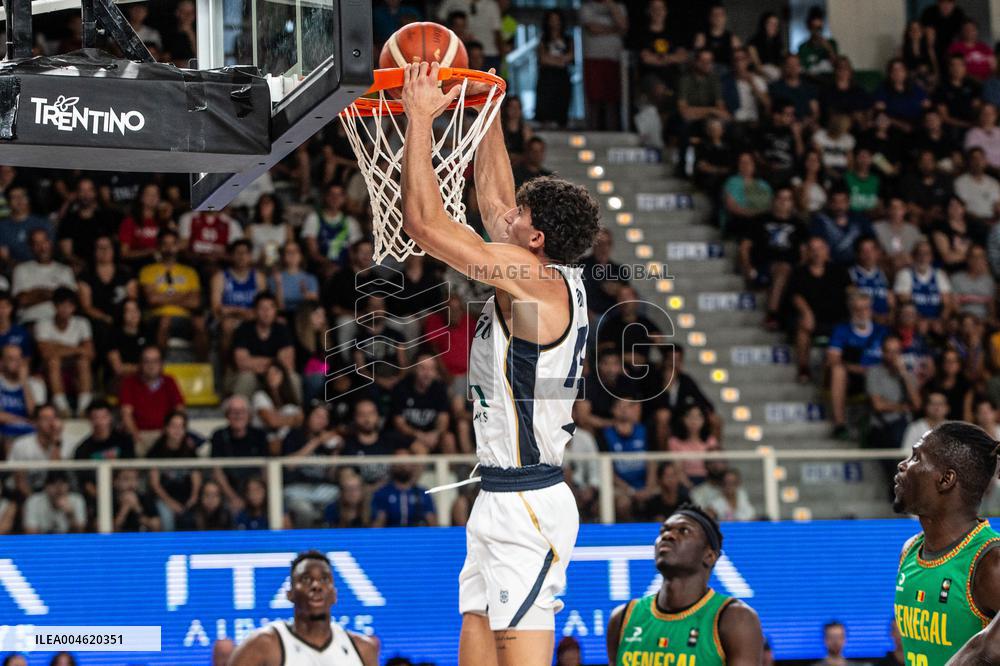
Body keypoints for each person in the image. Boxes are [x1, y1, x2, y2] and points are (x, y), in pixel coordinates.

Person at [400, 61, 601, 665]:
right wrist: (486, 111)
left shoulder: (535, 284)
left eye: (520, 218)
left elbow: (426, 225)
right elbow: (492, 201)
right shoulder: (539, 273)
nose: (506, 214)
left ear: (534, 241)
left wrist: (419, 118)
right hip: (498, 495)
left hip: (527, 505)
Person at [893, 422, 1000, 664]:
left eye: (916, 458)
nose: (903, 465)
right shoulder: (910, 550)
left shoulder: (990, 562)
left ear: (946, 479)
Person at [606, 506, 763, 666]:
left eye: (684, 531)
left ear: (709, 556)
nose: (668, 535)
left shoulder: (735, 619)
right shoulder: (623, 617)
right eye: (663, 531)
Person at [230, 550, 380, 665]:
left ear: (334, 595)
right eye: (306, 579)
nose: (316, 586)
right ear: (290, 594)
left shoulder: (363, 649)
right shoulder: (264, 644)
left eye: (324, 579)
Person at [788, 237, 851, 382]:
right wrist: (806, 312)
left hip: (837, 318)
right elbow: (795, 296)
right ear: (808, 252)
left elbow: (850, 290)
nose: (817, 253)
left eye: (820, 249)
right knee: (803, 326)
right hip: (811, 318)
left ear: (827, 250)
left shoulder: (839, 271)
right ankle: (804, 368)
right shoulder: (799, 272)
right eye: (813, 249)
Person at [138, 229, 209, 359]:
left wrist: (164, 297)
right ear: (159, 247)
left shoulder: (190, 272)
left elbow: (195, 302)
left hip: (184, 318)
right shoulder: (147, 271)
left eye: (172, 244)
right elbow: (152, 299)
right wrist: (183, 295)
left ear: (177, 246)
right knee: (165, 321)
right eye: (165, 244)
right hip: (156, 318)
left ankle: (203, 366)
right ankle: (160, 366)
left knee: (200, 323)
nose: (169, 248)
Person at [35, 287, 94, 417]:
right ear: (55, 306)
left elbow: (89, 353)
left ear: (74, 308)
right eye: (62, 305)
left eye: (69, 306)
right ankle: (62, 408)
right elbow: (45, 354)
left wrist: (57, 346)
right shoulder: (43, 324)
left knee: (83, 362)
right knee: (54, 361)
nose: (65, 310)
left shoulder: (82, 323)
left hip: (74, 366)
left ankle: (83, 408)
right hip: (49, 367)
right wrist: (77, 349)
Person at [230, 291, 298, 399]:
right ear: (255, 311)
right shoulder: (243, 329)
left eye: (270, 308)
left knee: (292, 377)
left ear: (275, 311)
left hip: (276, 375)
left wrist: (256, 362)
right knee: (246, 377)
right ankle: (238, 410)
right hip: (252, 375)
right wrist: (273, 362)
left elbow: (287, 363)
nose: (266, 312)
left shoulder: (282, 330)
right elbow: (242, 363)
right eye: (262, 308)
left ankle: (295, 412)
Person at [119, 345, 185, 452]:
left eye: (155, 361)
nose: (151, 365)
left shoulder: (169, 381)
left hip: (165, 434)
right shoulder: (129, 382)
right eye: (147, 361)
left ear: (161, 364)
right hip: (140, 434)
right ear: (140, 364)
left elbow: (179, 410)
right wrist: (135, 436)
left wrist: (171, 432)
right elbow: (126, 414)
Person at [209, 395, 270, 510]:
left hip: (256, 490)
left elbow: (266, 469)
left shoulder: (259, 435)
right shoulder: (218, 436)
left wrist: (261, 493)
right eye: (233, 411)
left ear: (248, 414)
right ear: (227, 415)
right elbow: (217, 471)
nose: (238, 415)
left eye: (242, 411)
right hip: (228, 491)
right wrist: (233, 497)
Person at [211, 238, 266, 359]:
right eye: (238, 253)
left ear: (250, 256)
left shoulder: (258, 277)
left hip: (252, 317)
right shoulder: (220, 277)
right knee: (227, 325)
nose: (242, 257)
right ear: (231, 256)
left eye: (246, 253)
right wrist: (242, 312)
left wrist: (232, 310)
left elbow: (264, 305)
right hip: (229, 319)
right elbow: (217, 308)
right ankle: (225, 369)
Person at [11, 228, 77, 325]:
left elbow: (70, 301)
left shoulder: (65, 270)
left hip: (60, 323)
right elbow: (21, 300)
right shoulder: (21, 269)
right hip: (31, 321)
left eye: (44, 242)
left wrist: (35, 293)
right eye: (37, 244)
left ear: (50, 243)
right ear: (31, 247)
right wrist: (54, 294)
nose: (42, 247)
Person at [579, 0, 628, 130]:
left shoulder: (619, 7)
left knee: (612, 97)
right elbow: (592, 29)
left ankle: (613, 130)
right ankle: (593, 129)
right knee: (594, 97)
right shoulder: (587, 7)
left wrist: (612, 5)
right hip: (593, 57)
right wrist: (614, 30)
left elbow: (623, 26)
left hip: (614, 57)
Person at [867, 336, 921, 449]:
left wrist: (904, 374)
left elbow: (917, 404)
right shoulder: (874, 372)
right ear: (882, 352)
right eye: (889, 352)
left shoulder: (908, 374)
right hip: (883, 426)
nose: (893, 356)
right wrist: (903, 407)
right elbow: (878, 405)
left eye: (896, 352)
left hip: (906, 425)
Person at [301, 184, 362, 278]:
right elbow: (313, 252)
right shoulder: (314, 218)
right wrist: (329, 264)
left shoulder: (350, 222)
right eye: (331, 194)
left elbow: (354, 253)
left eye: (339, 195)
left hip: (344, 270)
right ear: (326, 196)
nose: (335, 198)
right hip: (319, 269)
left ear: (344, 198)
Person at [371, 451, 437, 527]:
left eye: (406, 463)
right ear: (393, 465)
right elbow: (378, 523)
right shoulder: (382, 493)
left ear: (412, 465)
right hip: (391, 535)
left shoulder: (422, 493)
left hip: (417, 535)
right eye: (399, 463)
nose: (403, 466)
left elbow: (432, 522)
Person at [535, 10, 573, 129]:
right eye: (552, 19)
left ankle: (561, 125)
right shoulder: (543, 39)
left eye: (556, 20)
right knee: (546, 101)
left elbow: (571, 56)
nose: (554, 23)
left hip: (562, 76)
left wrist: (553, 60)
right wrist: (559, 61)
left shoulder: (568, 39)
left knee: (562, 100)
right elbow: (543, 58)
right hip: (547, 75)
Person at [0, 186, 54, 264]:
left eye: (22, 196)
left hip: (42, 266)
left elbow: (49, 250)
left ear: (28, 199)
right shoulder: (2, 226)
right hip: (15, 269)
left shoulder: (43, 223)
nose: (19, 200)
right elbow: (5, 256)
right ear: (8, 202)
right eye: (14, 197)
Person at [954, 148, 1000, 222]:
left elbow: (997, 205)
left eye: (981, 158)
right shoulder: (960, 182)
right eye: (974, 158)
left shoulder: (993, 183)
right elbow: (962, 209)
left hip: (993, 221)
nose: (978, 162)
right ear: (969, 162)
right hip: (973, 222)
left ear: (985, 161)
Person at [0, 344, 33, 441]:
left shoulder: (35, 384)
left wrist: (24, 382)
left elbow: (33, 413)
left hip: (29, 433)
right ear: (2, 362)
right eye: (11, 359)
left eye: (19, 358)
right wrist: (23, 421)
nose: (17, 363)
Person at [797, 6, 837, 77]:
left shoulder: (831, 43)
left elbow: (837, 66)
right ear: (809, 28)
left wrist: (829, 49)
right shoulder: (802, 47)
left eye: (819, 28)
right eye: (814, 28)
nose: (817, 32)